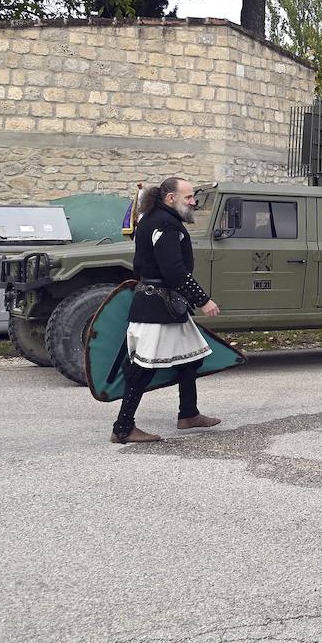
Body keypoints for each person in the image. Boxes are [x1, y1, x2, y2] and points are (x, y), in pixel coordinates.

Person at [111, 177, 222, 444]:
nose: (193, 202)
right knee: (142, 370)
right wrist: (203, 300)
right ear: (170, 198)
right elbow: (174, 271)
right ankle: (123, 428)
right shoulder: (164, 223)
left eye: (193, 197)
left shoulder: (157, 219)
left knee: (191, 360)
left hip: (169, 307)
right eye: (188, 198)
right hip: (156, 308)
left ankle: (188, 414)